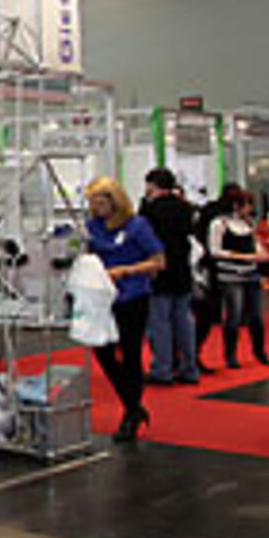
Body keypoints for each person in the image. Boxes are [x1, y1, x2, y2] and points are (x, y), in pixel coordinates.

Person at [83, 177, 166, 443]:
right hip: (102, 297)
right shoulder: (92, 226)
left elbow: (158, 261)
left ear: (114, 201)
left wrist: (126, 270)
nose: (96, 209)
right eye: (93, 203)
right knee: (102, 352)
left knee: (130, 354)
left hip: (132, 296)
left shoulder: (137, 226)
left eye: (100, 203)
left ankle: (130, 413)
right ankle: (133, 405)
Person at [138, 168, 199, 384]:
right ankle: (189, 368)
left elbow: (143, 236)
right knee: (184, 321)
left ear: (153, 185)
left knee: (160, 323)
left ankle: (162, 369)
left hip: (159, 269)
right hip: (182, 269)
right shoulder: (185, 208)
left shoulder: (151, 210)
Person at [210, 187, 269, 369]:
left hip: (251, 273)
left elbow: (254, 243)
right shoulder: (219, 224)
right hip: (230, 274)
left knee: (256, 316)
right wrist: (241, 256)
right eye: (247, 204)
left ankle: (260, 351)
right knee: (234, 315)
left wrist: (261, 254)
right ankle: (230, 355)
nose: (249, 208)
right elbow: (215, 250)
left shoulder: (248, 223)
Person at [191, 187, 232, 374]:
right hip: (193, 278)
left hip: (199, 277)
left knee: (202, 316)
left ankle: (190, 355)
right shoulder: (215, 219)